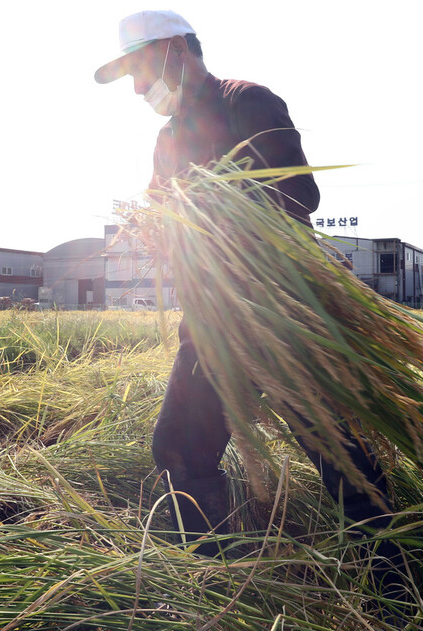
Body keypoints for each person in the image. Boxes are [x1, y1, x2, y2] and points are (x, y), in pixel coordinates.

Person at [94, 11, 401, 581]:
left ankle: (399, 585)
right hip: (212, 322)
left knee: (339, 455)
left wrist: (213, 206)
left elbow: (299, 194)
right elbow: (163, 214)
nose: (138, 90)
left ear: (176, 51)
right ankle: (217, 579)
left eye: (140, 72)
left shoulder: (247, 102)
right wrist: (158, 226)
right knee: (179, 447)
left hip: (281, 314)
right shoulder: (166, 139)